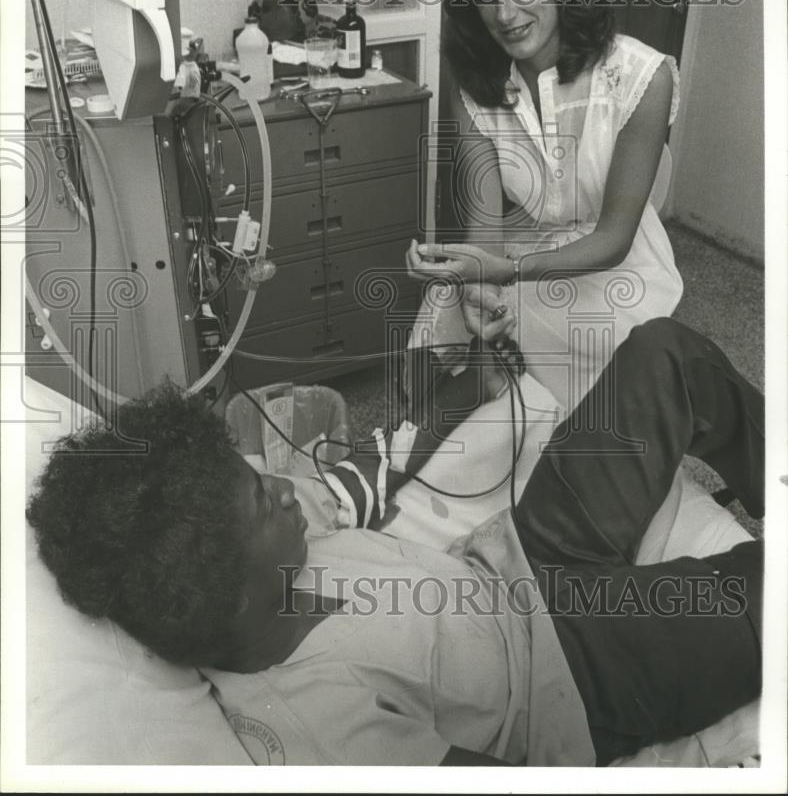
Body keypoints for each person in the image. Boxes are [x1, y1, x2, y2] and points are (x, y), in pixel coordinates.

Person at [27, 318, 763, 767]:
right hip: (574, 676)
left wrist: (471, 375)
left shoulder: (284, 550)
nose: (281, 486)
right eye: (260, 494)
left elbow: (375, 466)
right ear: (230, 583)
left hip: (522, 557)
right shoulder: (319, 724)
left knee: (665, 354)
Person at [407, 0, 683, 409]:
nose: (504, 13)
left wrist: (504, 275)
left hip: (612, 268)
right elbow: (485, 225)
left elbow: (614, 239)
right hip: (516, 250)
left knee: (582, 402)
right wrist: (478, 290)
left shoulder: (644, 78)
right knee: (439, 338)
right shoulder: (474, 84)